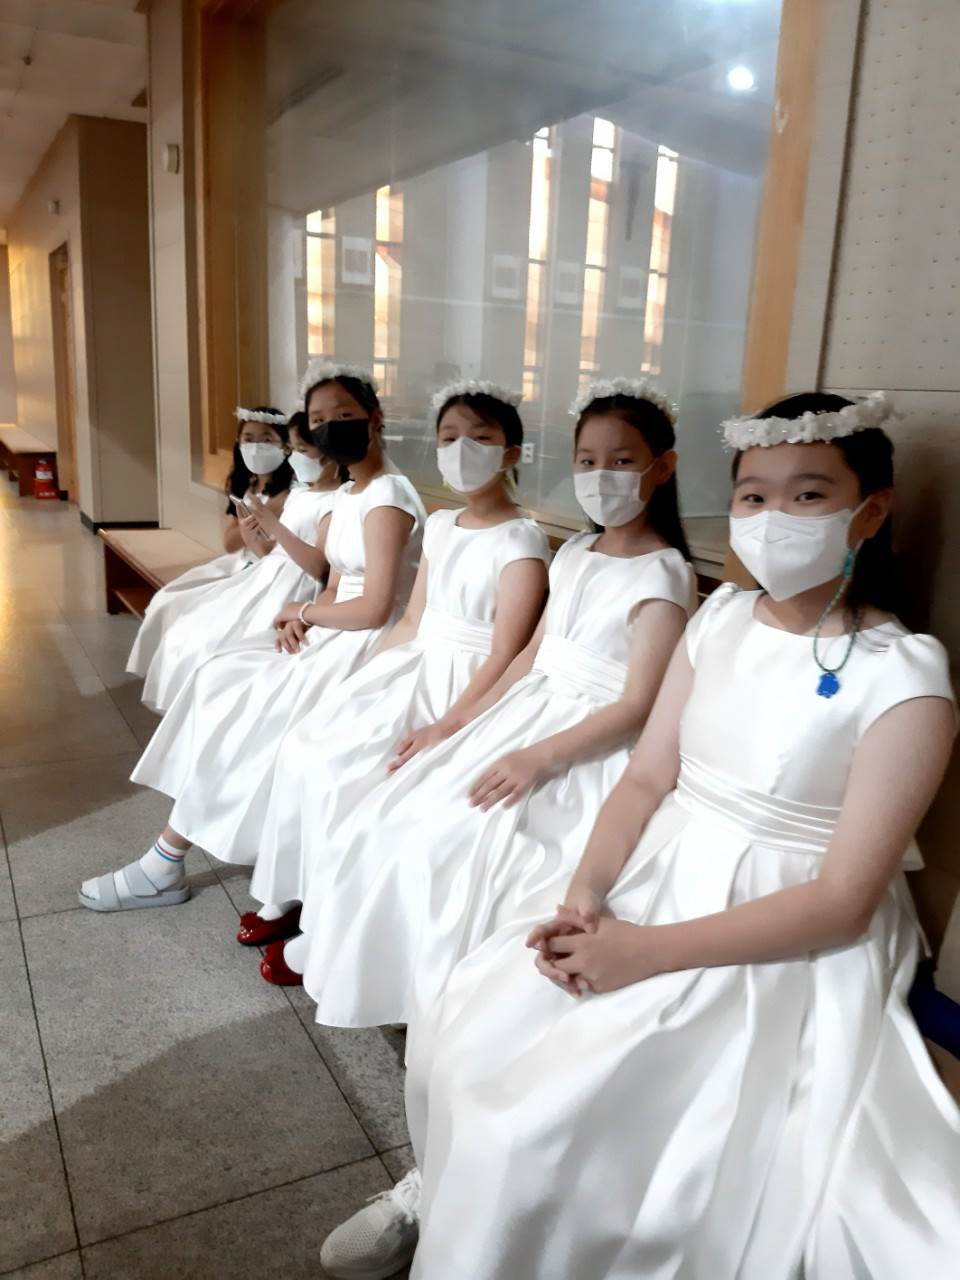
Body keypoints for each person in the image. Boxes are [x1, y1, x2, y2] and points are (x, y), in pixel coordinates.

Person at [338, 391, 959, 1280]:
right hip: (661, 861)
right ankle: (441, 1191)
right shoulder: (720, 617)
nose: (774, 518)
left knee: (584, 1103)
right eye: (754, 496)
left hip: (782, 925)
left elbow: (841, 901)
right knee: (471, 1017)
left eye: (809, 495)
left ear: (871, 510)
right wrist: (585, 894)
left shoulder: (905, 678)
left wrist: (642, 952)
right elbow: (644, 777)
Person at [298, 378, 697, 1034]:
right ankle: (385, 977)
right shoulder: (576, 551)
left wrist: (537, 758)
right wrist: (452, 727)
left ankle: (441, 1008)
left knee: (467, 844)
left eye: (622, 461)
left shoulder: (664, 574)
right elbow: (527, 656)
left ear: (662, 467)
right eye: (587, 461)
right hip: (523, 711)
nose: (601, 476)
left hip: (582, 741)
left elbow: (637, 705)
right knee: (394, 809)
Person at [78, 363, 425, 913]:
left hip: (374, 641)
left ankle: (166, 861)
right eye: (319, 420)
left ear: (375, 418)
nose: (330, 427)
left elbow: (378, 604)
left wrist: (304, 610)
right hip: (341, 625)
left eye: (344, 415)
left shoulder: (388, 498)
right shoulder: (350, 493)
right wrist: (307, 617)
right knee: (220, 677)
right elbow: (336, 582)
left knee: (253, 709)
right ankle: (173, 854)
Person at [246, 380, 550, 966]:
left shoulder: (523, 540)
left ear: (511, 452)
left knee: (350, 770)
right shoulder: (442, 525)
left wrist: (447, 725)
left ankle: (333, 925)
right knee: (309, 743)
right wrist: (367, 679)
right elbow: (412, 619)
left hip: (463, 683)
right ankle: (301, 893)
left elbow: (504, 653)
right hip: (417, 659)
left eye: (480, 438)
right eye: (449, 438)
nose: (462, 450)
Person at [132, 413, 341, 713]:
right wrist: (250, 533)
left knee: (220, 646)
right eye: (292, 449)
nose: (293, 457)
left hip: (294, 584)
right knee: (190, 630)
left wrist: (273, 524)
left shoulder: (335, 502)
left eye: (301, 450)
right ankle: (184, 708)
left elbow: (318, 567)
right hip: (267, 574)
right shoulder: (301, 494)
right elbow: (270, 552)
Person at [126, 406, 294, 683]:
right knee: (169, 599)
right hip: (239, 560)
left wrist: (260, 519)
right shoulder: (247, 484)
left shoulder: (294, 491)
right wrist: (257, 517)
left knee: (202, 619)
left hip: (268, 567)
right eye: (249, 439)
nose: (256, 446)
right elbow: (229, 542)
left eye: (266, 439)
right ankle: (162, 673)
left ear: (285, 445)